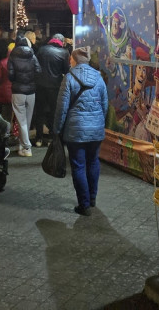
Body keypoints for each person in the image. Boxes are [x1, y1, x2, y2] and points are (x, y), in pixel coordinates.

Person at [53, 47, 109, 216]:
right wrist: (99, 122)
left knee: (78, 165)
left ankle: (83, 204)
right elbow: (105, 105)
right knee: (93, 162)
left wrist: (57, 129)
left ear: (74, 59)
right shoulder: (98, 78)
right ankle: (92, 198)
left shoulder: (69, 78)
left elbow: (61, 108)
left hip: (75, 131)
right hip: (96, 129)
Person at [7, 34, 40, 157]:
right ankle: (22, 146)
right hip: (31, 91)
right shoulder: (32, 55)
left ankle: (26, 147)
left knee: (21, 121)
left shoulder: (12, 56)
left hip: (18, 91)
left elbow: (10, 75)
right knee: (27, 119)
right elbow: (38, 71)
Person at [34, 33, 69, 147]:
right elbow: (66, 70)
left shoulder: (42, 49)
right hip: (55, 87)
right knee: (54, 112)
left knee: (39, 111)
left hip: (40, 85)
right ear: (61, 42)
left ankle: (39, 138)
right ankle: (52, 137)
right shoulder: (64, 53)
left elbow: (36, 66)